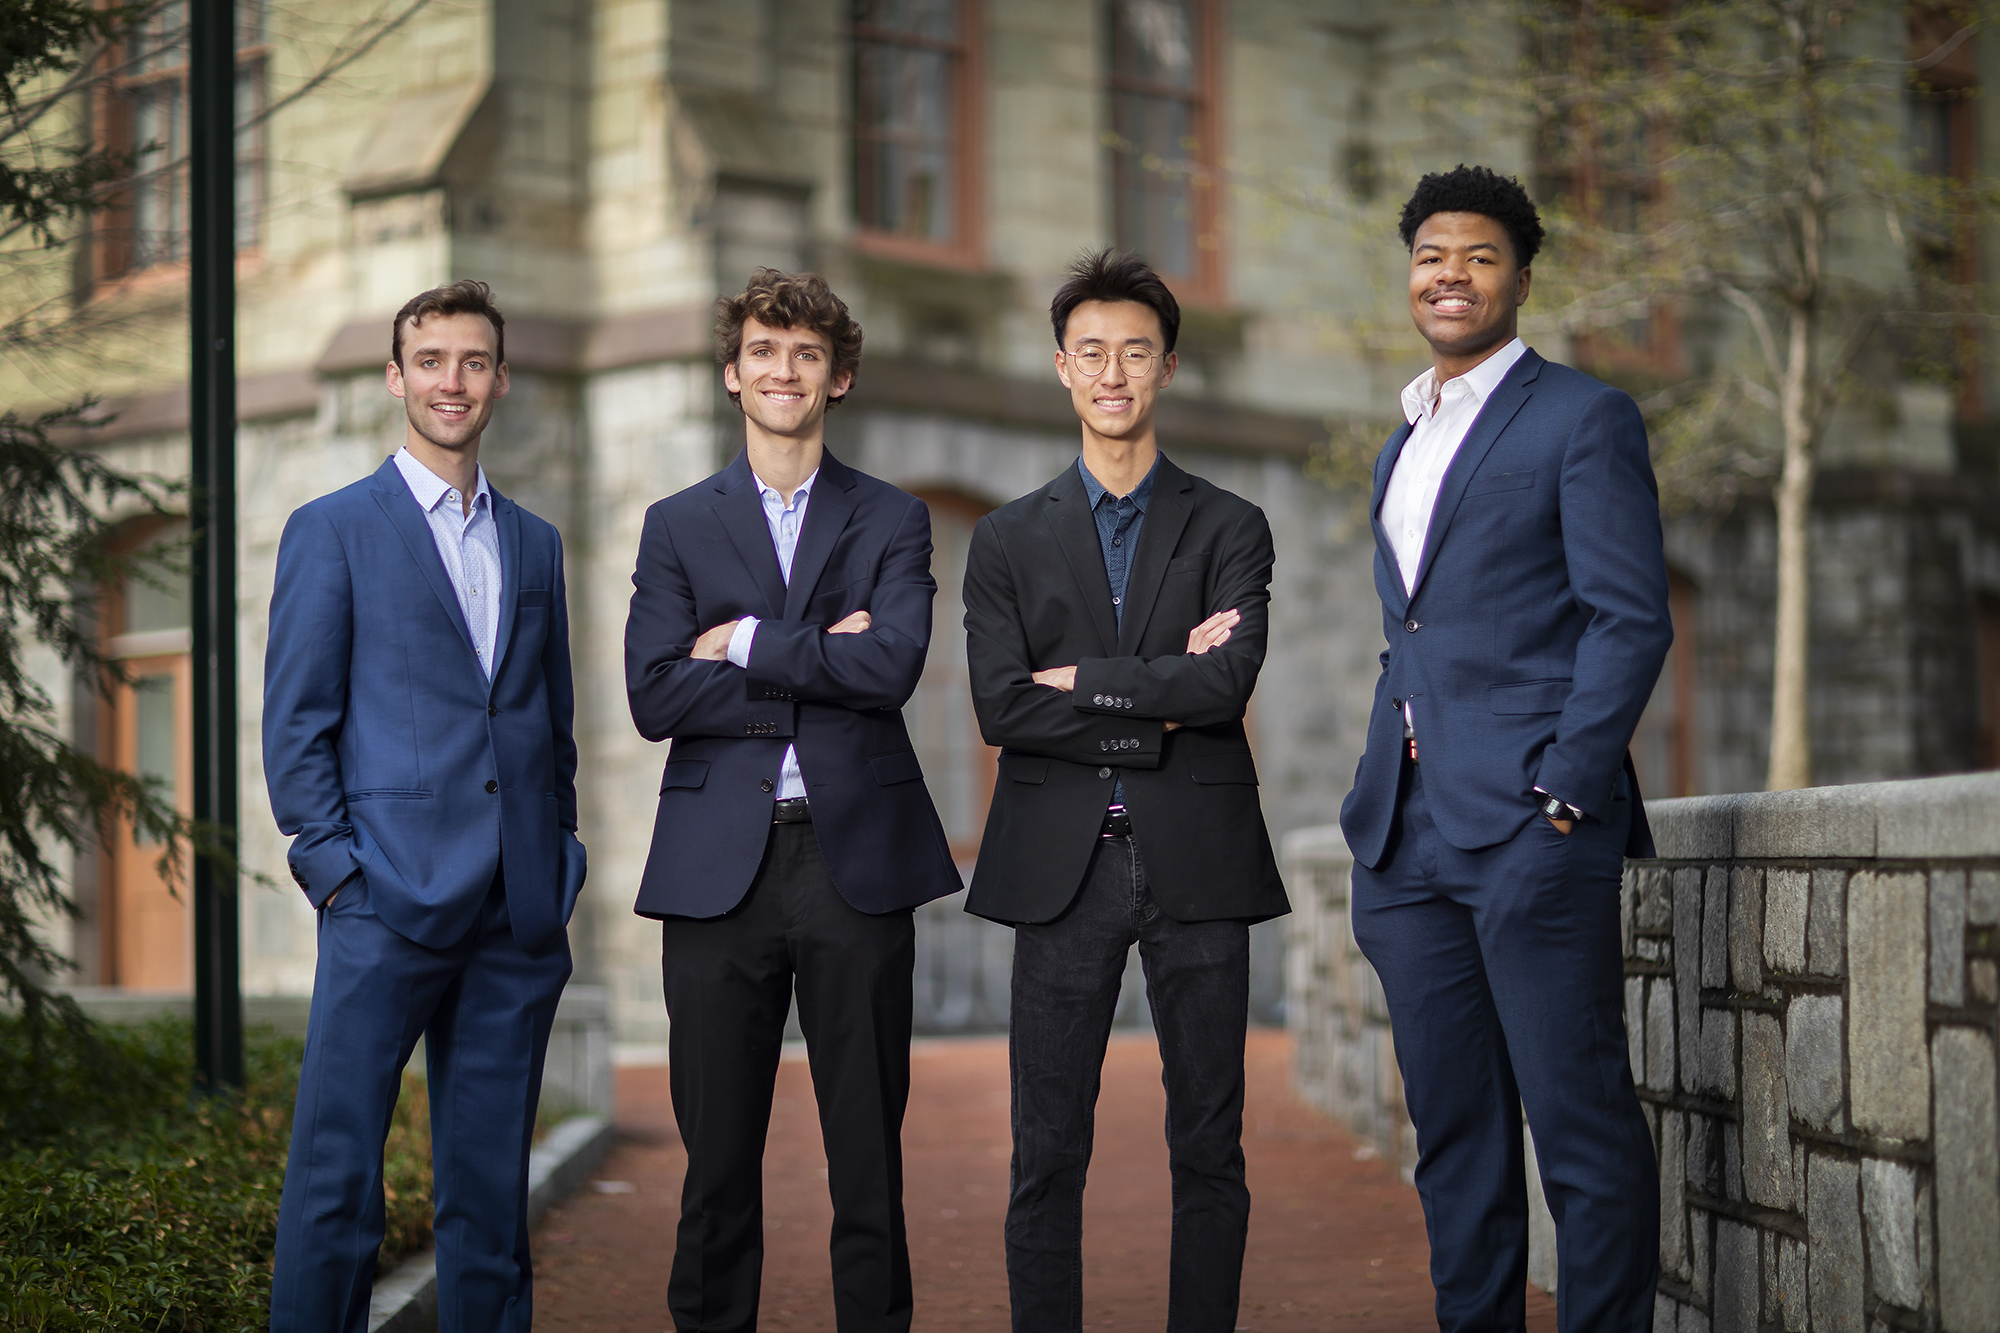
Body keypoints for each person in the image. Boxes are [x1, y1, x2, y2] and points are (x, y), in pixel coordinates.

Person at [1338, 165, 1672, 1332]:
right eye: (1431, 254)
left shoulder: (1581, 417)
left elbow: (1629, 618)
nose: (1450, 274)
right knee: (1453, 1134)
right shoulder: (1401, 440)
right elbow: (1415, 633)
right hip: (1405, 838)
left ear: (1520, 278)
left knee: (1575, 1126)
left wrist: (1568, 791)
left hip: (1532, 828)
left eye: (1478, 256)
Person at [624, 268, 961, 1333]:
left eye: (805, 355)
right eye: (763, 352)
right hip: (714, 869)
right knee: (715, 1157)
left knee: (864, 1151)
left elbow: (893, 668)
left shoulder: (892, 518)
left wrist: (746, 642)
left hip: (854, 860)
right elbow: (652, 691)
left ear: (838, 376)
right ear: (732, 373)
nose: (783, 371)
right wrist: (823, 657)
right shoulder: (676, 525)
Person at [961, 249, 1289, 1333]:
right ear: (1062, 368)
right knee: (1045, 1148)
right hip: (1061, 870)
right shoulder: (1004, 537)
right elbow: (1002, 710)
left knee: (1208, 1143)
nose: (1113, 372)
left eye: (1134, 352)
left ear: (1167, 366)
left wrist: (1090, 682)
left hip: (1197, 862)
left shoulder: (1231, 524)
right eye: (1091, 352)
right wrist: (1162, 696)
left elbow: (1227, 680)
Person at [263, 279, 586, 1333]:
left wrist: (558, 859)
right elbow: (297, 723)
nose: (454, 380)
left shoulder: (534, 543)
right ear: (396, 376)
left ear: (500, 379)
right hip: (382, 902)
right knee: (336, 1181)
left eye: (475, 361)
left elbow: (550, 722)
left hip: (513, 913)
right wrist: (335, 873)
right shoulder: (333, 531)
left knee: (489, 1195)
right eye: (433, 360)